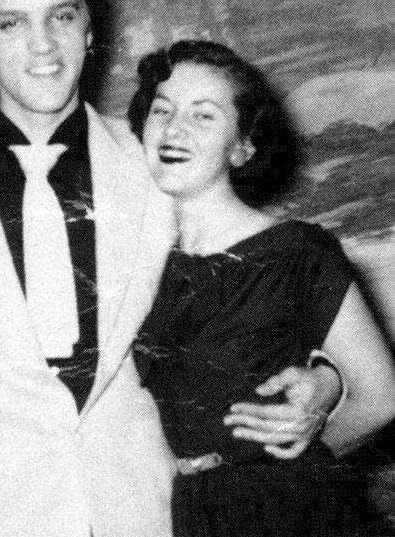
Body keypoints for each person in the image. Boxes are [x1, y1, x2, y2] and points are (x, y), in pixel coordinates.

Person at [0, 0, 348, 537]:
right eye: (11, 23)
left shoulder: (156, 160)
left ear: (89, 27)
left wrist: (326, 379)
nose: (44, 46)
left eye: (61, 17)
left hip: (144, 505)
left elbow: (262, 274)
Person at [130, 39, 395, 537]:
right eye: (161, 110)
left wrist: (293, 467)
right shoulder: (139, 262)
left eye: (203, 115)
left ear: (242, 147)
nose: (174, 129)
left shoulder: (296, 252)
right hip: (191, 512)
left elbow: (381, 398)